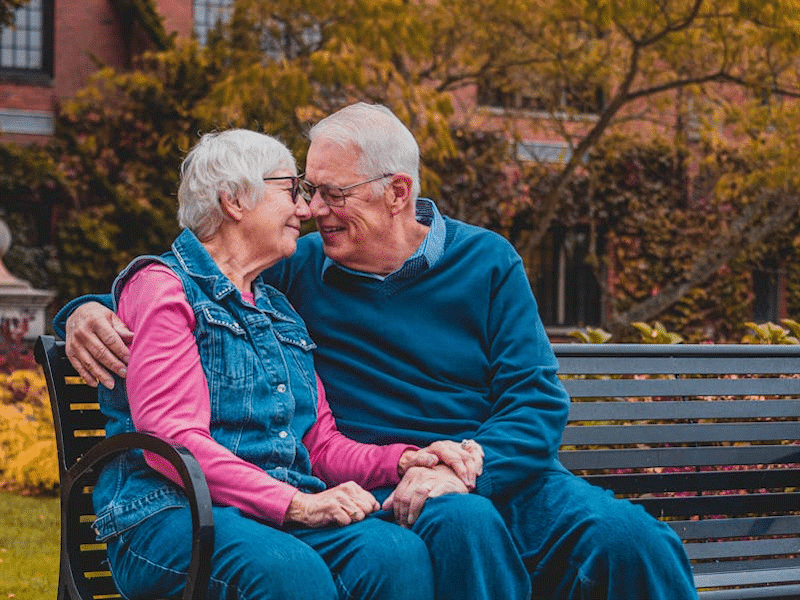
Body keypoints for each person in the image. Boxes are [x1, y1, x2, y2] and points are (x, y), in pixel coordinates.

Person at [57, 103, 698, 600]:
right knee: (460, 527)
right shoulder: (299, 269)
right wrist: (82, 311)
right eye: (305, 190)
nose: (313, 211)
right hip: (389, 486)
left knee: (634, 543)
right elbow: (195, 279)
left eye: (334, 194)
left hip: (484, 466)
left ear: (397, 193)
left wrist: (466, 465)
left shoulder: (487, 261)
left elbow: (535, 400)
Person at [76, 127, 531, 600]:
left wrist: (402, 459)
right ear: (233, 200)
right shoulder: (162, 289)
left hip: (269, 509)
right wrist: (296, 504)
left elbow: (321, 442)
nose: (305, 209)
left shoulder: (278, 308)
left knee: (394, 553)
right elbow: (173, 441)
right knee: (290, 574)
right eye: (291, 190)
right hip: (172, 511)